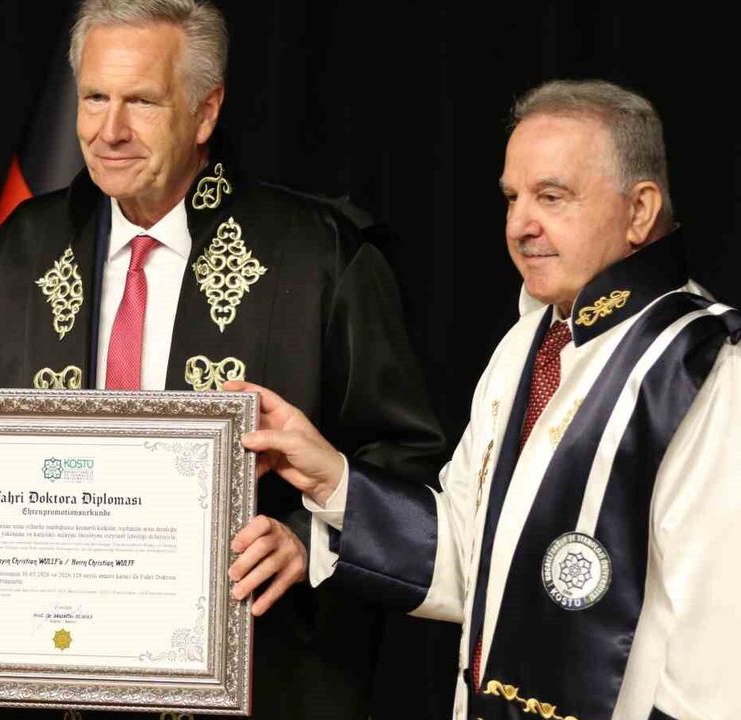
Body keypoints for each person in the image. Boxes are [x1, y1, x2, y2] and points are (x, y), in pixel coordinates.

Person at [0, 1, 447, 717]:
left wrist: (309, 542)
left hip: (261, 686)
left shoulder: (320, 255)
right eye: (94, 98)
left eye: (140, 101)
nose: (108, 131)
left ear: (206, 112)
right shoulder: (20, 252)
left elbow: (408, 461)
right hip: (55, 695)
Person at [233, 79, 740, 720]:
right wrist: (331, 477)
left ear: (639, 210)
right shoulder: (529, 341)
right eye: (512, 198)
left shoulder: (706, 369)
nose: (521, 226)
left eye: (551, 197)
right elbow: (472, 559)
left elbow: (719, 656)